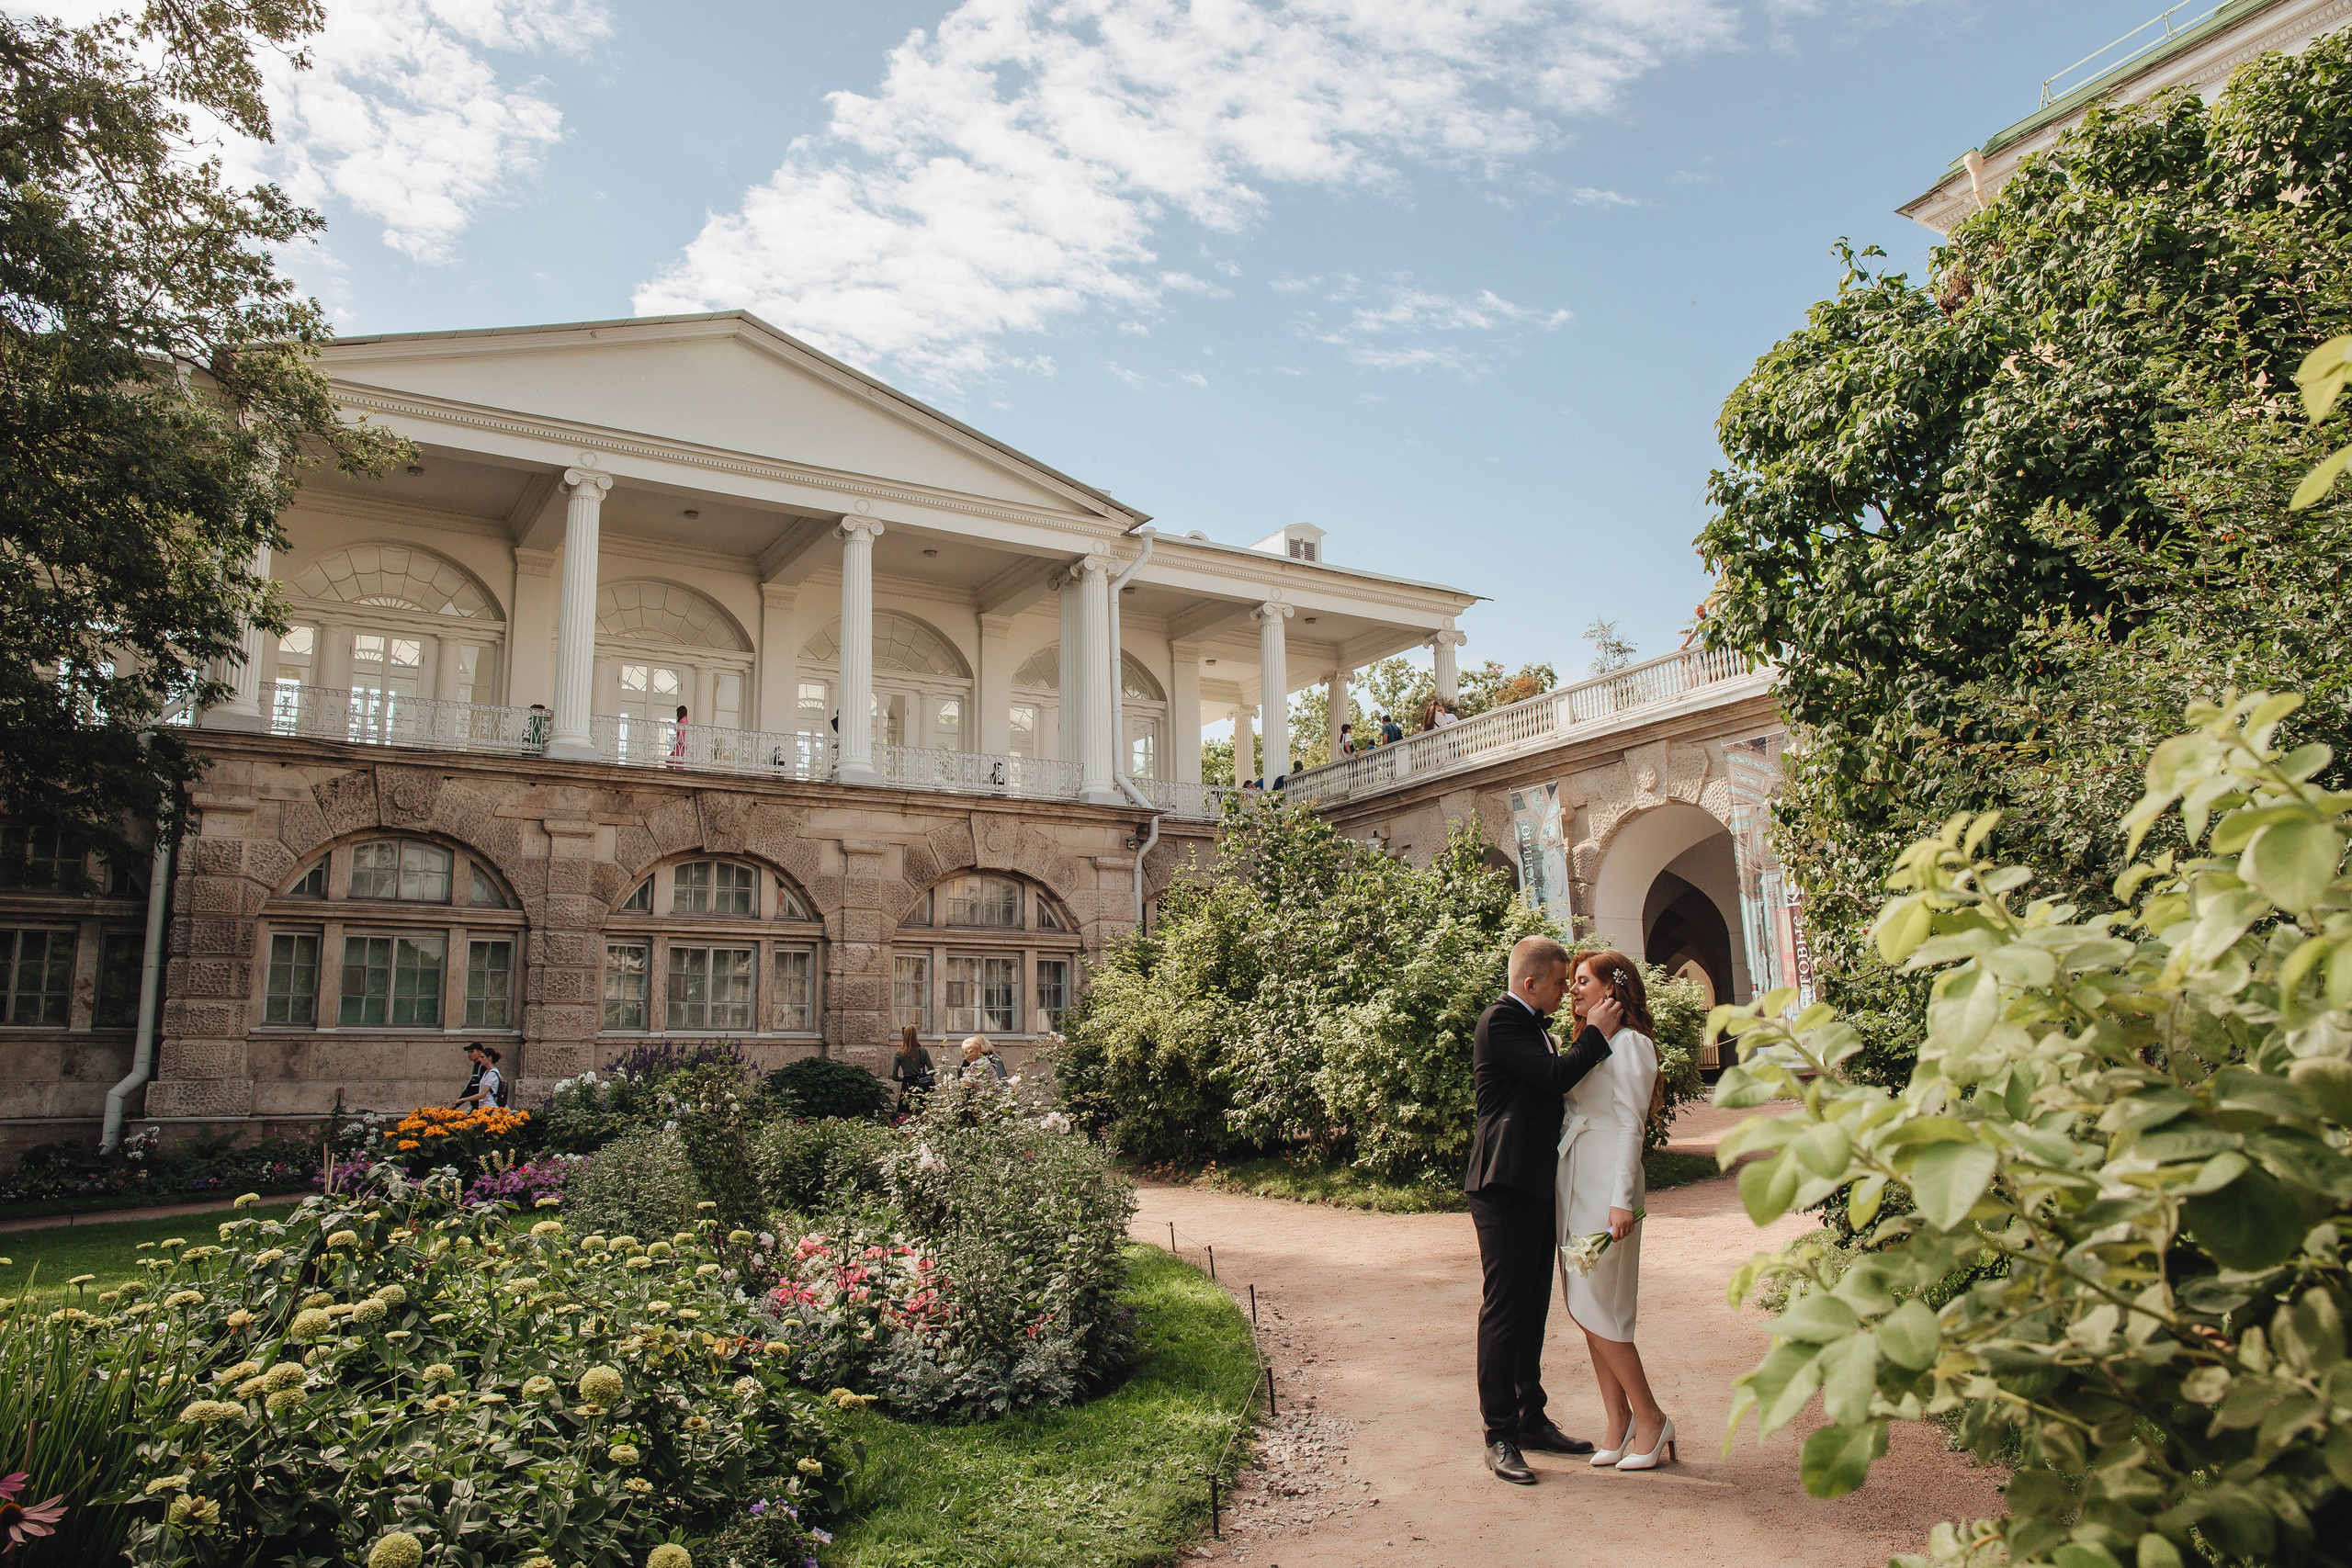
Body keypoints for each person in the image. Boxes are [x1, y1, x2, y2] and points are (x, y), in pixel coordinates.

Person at [1463, 936, 1619, 1484]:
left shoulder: (1533, 1026)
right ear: (1530, 984)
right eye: (1558, 983)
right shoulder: (1501, 1020)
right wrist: (1598, 1033)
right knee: (1505, 1310)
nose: (1564, 991)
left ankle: (1530, 1417)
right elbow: (1555, 1079)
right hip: (1502, 1181)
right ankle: (1499, 1433)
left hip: (1532, 1182)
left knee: (1533, 1308)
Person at [1559, 950, 1672, 1471]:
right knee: (1584, 1305)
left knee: (1606, 1307)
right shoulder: (1591, 1042)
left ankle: (1650, 1417)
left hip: (1609, 1186)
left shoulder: (1631, 1045)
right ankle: (1616, 1420)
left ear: (1612, 990)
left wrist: (1621, 1199)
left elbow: (1632, 1126)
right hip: (1575, 1180)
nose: (1573, 990)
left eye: (1583, 981)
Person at [891, 1026, 935, 1111]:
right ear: (916, 1035)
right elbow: (932, 1071)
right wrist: (924, 1077)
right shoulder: (923, 1051)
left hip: (907, 1085)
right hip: (921, 1085)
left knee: (907, 1112)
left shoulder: (899, 1053)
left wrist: (903, 1079)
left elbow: (894, 1077)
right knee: (921, 1113)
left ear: (903, 1036)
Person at [453, 1043, 503, 1109]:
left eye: (482, 1057)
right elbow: (471, 1086)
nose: (480, 1059)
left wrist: (462, 1100)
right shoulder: (486, 1072)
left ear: (489, 1058)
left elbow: (482, 1094)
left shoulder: (492, 1073)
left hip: (490, 1107)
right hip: (483, 1106)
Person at [665, 705, 689, 770]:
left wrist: (672, 725)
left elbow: (679, 730)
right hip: (680, 741)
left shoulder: (683, 720)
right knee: (674, 757)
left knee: (677, 758)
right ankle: (674, 769)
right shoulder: (684, 720)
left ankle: (678, 770)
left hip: (680, 742)